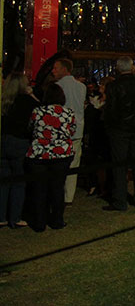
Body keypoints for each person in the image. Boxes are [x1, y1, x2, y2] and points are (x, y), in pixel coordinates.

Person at [102, 57, 135, 211]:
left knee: (119, 166)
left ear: (118, 68)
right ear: (132, 68)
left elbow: (110, 108)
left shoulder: (113, 86)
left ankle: (120, 200)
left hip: (119, 129)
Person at [25, 85, 76, 232]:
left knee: (39, 189)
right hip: (61, 154)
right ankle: (57, 220)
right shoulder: (68, 113)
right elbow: (71, 131)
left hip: (40, 154)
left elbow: (31, 128)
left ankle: (39, 222)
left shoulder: (38, 112)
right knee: (57, 188)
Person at [1, 73, 39, 228]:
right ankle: (15, 217)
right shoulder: (28, 102)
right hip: (20, 142)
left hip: (3, 140)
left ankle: (1, 216)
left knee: (3, 181)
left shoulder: (4, 101)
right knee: (18, 181)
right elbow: (40, 111)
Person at [52, 58, 86, 204]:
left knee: (58, 162)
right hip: (77, 128)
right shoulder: (81, 87)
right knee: (74, 163)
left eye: (56, 68)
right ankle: (69, 196)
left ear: (65, 69)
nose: (53, 71)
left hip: (60, 128)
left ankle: (58, 192)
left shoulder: (57, 87)